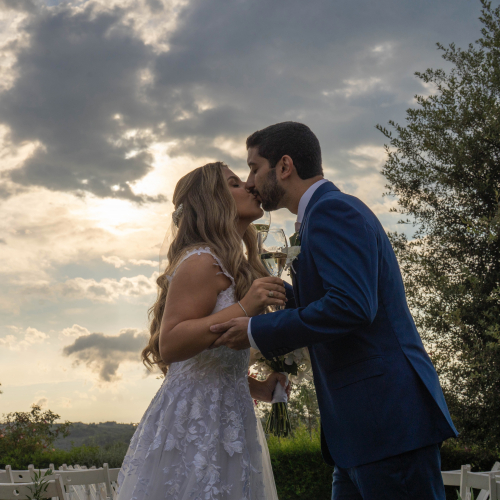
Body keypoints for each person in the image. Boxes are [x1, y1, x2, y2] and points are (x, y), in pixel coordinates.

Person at [210, 122, 458, 500]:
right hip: (359, 431)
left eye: (254, 168)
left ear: (285, 166)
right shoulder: (317, 217)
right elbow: (335, 300)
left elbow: (352, 306)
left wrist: (256, 331)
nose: (250, 181)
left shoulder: (332, 211)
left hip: (387, 423)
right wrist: (278, 295)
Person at [116, 161, 292, 500]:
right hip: (195, 422)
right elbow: (171, 344)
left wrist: (261, 388)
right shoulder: (201, 261)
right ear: (214, 201)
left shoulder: (232, 266)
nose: (250, 187)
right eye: (236, 184)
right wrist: (245, 307)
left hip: (231, 418)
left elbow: (212, 363)